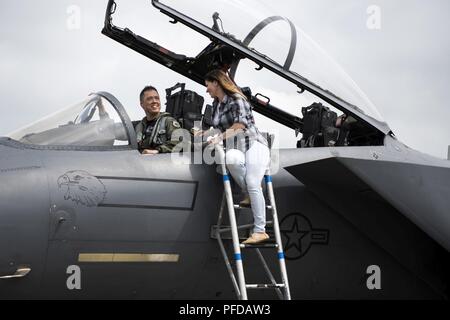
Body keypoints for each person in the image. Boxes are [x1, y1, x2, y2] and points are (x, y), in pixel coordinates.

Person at [203, 69, 271, 244]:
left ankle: (260, 230)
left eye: (208, 85)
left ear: (216, 82)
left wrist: (219, 137)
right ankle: (247, 193)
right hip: (238, 148)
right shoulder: (217, 105)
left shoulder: (237, 99)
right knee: (230, 159)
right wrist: (203, 133)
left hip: (254, 145)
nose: (207, 89)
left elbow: (240, 125)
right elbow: (219, 128)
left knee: (253, 181)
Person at [135, 86, 182, 155]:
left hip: (163, 163)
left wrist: (158, 150)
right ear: (142, 104)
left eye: (157, 98)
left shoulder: (168, 122)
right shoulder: (139, 127)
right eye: (149, 99)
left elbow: (180, 143)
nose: (154, 101)